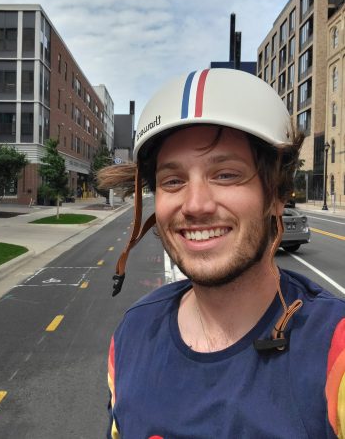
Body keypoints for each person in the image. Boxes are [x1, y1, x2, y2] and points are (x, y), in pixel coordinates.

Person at [99, 69, 345, 438]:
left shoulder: (334, 350)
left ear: (276, 195)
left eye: (226, 175)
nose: (195, 204)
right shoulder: (132, 335)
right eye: (173, 181)